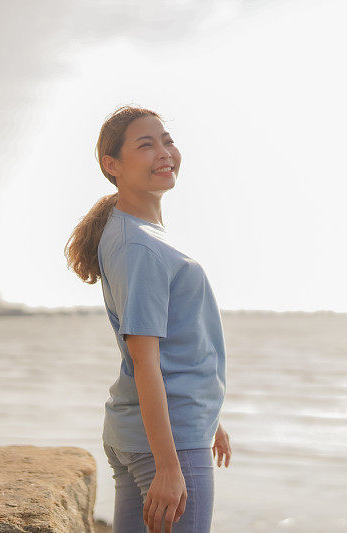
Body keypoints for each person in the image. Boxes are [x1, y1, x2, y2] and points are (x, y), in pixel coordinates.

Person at [65, 105, 232, 533]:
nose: (164, 152)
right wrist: (170, 467)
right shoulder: (138, 246)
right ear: (112, 165)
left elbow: (180, 342)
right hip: (166, 441)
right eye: (146, 144)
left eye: (167, 141)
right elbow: (145, 359)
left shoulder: (137, 233)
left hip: (154, 428)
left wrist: (210, 419)